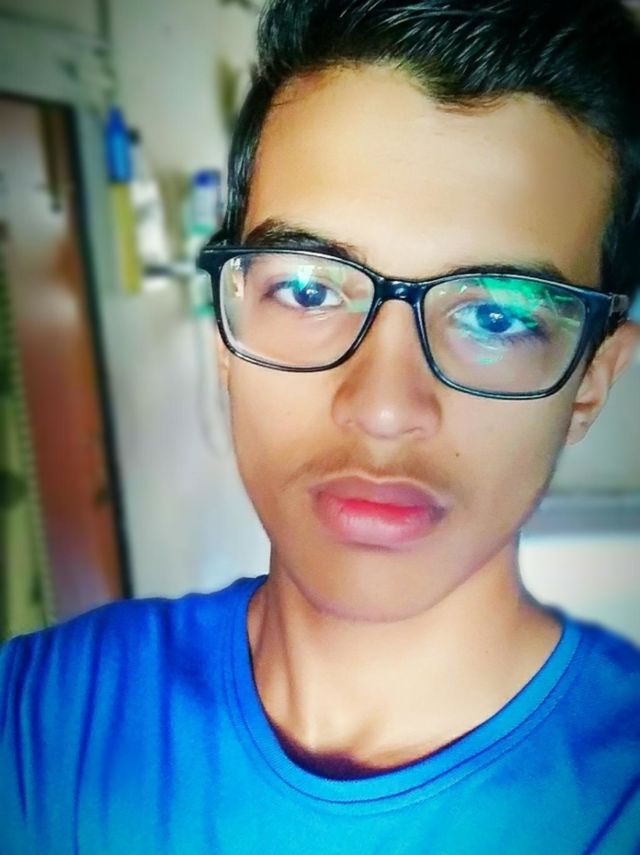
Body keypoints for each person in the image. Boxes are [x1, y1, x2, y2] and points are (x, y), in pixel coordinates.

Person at [2, 0, 640, 852]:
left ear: (592, 380)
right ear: (225, 330)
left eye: (496, 315)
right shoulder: (39, 722)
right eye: (307, 289)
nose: (382, 407)